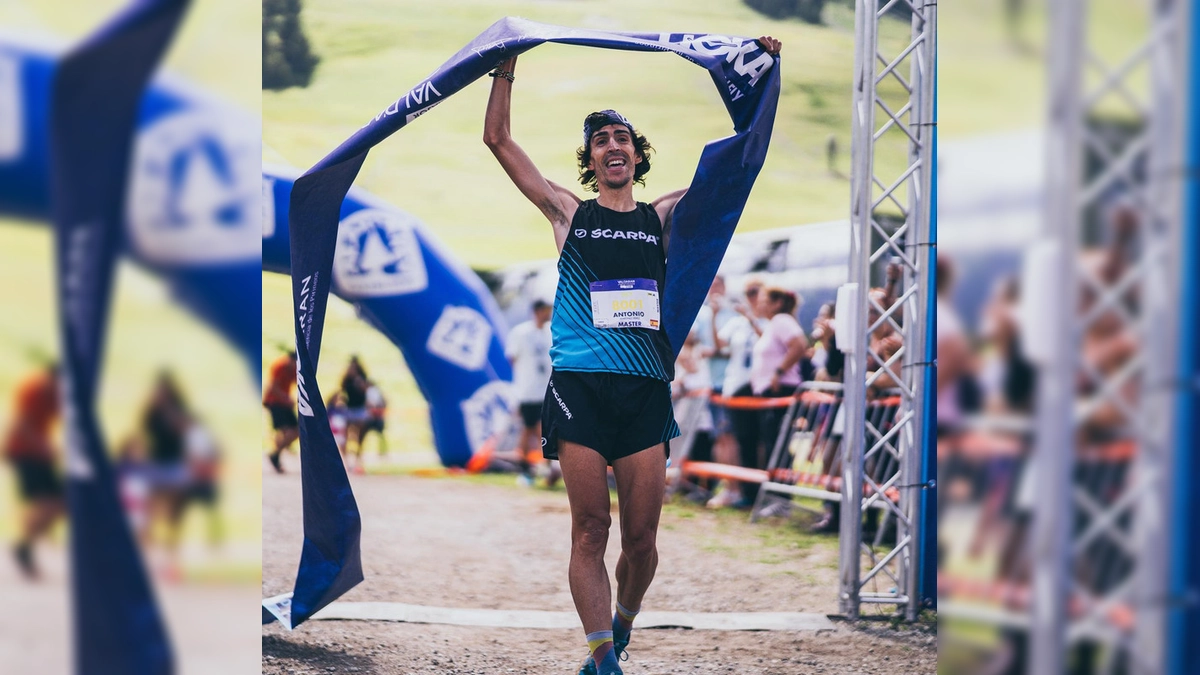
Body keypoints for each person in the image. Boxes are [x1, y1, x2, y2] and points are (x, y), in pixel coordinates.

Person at [483, 34, 782, 675]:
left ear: (637, 156)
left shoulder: (664, 215)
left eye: (623, 139)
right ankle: (602, 661)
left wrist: (756, 69)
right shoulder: (568, 212)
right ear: (591, 161)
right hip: (580, 387)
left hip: (644, 390)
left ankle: (619, 628)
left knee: (642, 541)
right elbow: (500, 143)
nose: (612, 147)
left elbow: (735, 167)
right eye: (601, 141)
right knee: (591, 529)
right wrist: (504, 61)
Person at [3, 364, 63, 579]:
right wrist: (43, 445)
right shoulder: (35, 389)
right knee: (46, 501)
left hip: (38, 455)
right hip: (25, 453)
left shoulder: (56, 394)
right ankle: (24, 546)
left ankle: (26, 544)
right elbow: (20, 423)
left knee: (55, 502)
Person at [505, 299, 554, 487]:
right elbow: (512, 358)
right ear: (537, 311)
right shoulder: (521, 332)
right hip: (528, 391)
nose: (548, 314)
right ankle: (525, 468)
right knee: (528, 428)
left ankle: (548, 468)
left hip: (547, 390)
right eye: (545, 310)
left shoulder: (550, 331)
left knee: (547, 430)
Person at [263, 351, 299, 474]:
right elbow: (273, 387)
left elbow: (298, 383)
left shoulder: (294, 368)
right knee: (285, 430)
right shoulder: (280, 366)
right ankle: (276, 456)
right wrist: (285, 397)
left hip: (284, 403)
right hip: (275, 402)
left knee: (294, 430)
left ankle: (276, 455)